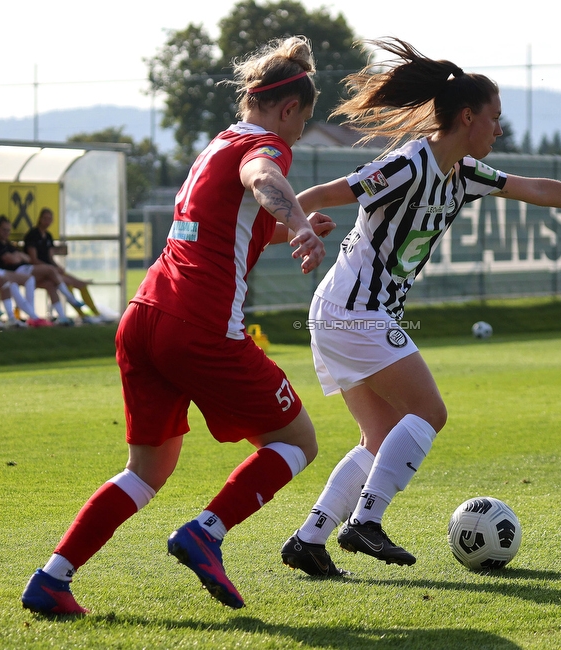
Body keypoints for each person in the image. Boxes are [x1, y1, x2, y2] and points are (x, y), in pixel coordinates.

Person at [279, 38, 561, 577]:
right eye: (495, 117)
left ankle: (310, 540)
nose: (499, 129)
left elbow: (536, 189)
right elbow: (325, 192)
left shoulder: (464, 173)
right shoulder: (409, 164)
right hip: (353, 311)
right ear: (469, 116)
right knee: (430, 413)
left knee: (380, 439)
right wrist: (290, 226)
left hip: (348, 312)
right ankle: (365, 522)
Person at [21, 35, 334, 615]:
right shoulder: (266, 145)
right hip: (201, 325)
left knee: (146, 470)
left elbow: (227, 230)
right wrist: (297, 225)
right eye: (304, 121)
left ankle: (52, 579)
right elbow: (264, 178)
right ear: (288, 109)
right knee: (297, 441)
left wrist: (289, 222)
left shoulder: (218, 144)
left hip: (145, 317)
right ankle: (207, 532)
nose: (298, 134)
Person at [23, 207, 98, 321]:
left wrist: (57, 267)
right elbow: (33, 259)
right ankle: (81, 313)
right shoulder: (33, 234)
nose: (47, 221)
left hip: (51, 271)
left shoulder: (48, 236)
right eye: (45, 218)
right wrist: (51, 268)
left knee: (80, 283)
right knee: (68, 282)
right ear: (40, 219)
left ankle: (96, 313)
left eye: (49, 219)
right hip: (39, 271)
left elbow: (50, 257)